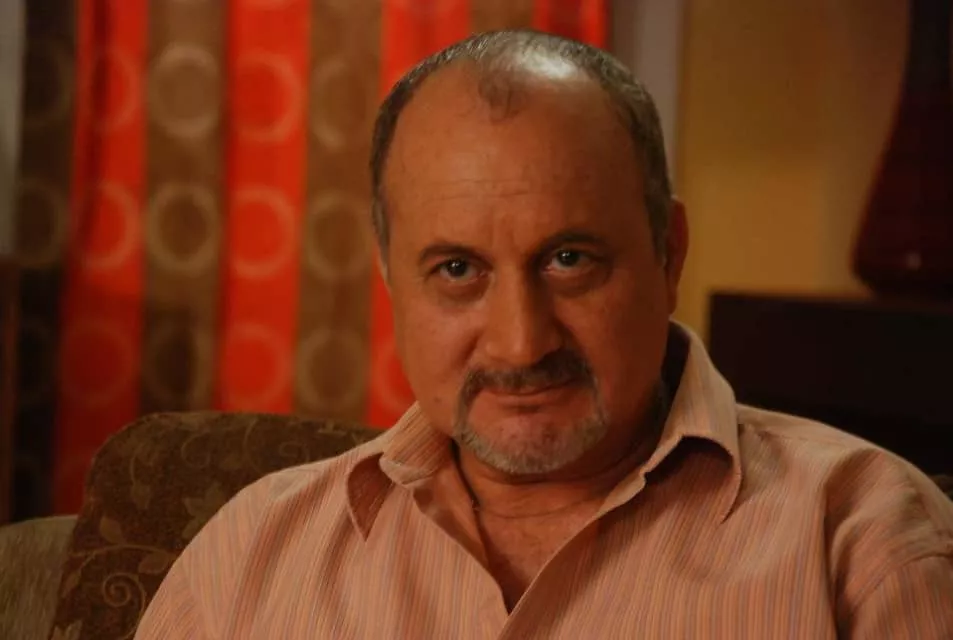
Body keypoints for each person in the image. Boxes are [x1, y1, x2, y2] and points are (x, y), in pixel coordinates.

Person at [135, 30, 953, 639]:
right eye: (458, 270)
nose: (520, 344)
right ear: (389, 277)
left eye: (568, 260)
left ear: (668, 254)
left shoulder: (865, 541)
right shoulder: (246, 555)